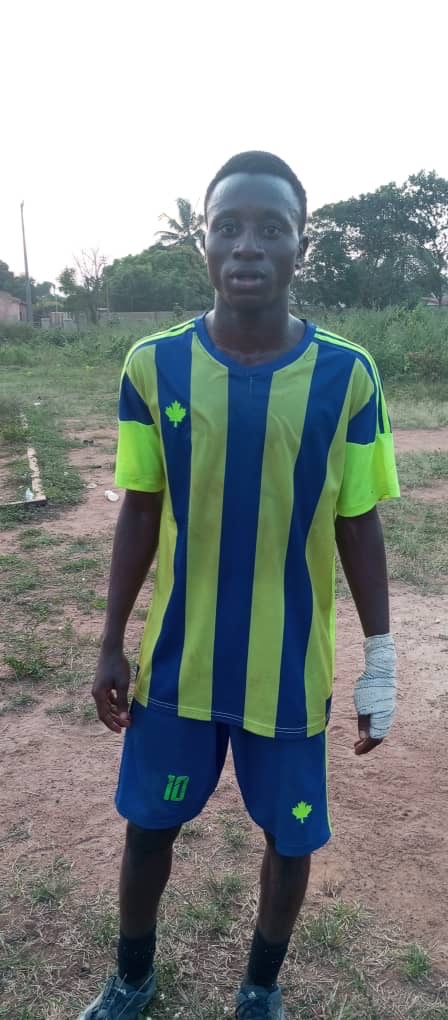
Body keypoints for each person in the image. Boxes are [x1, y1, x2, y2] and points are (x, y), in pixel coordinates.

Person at [79, 151, 399, 1020]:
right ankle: (133, 978)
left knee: (290, 839)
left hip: (289, 669)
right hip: (178, 665)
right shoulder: (153, 366)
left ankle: (260, 989)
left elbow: (359, 521)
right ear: (203, 243)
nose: (247, 246)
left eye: (271, 228)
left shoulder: (348, 375)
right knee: (150, 828)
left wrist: (380, 662)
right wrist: (110, 643)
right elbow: (141, 508)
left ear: (303, 245)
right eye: (228, 227)